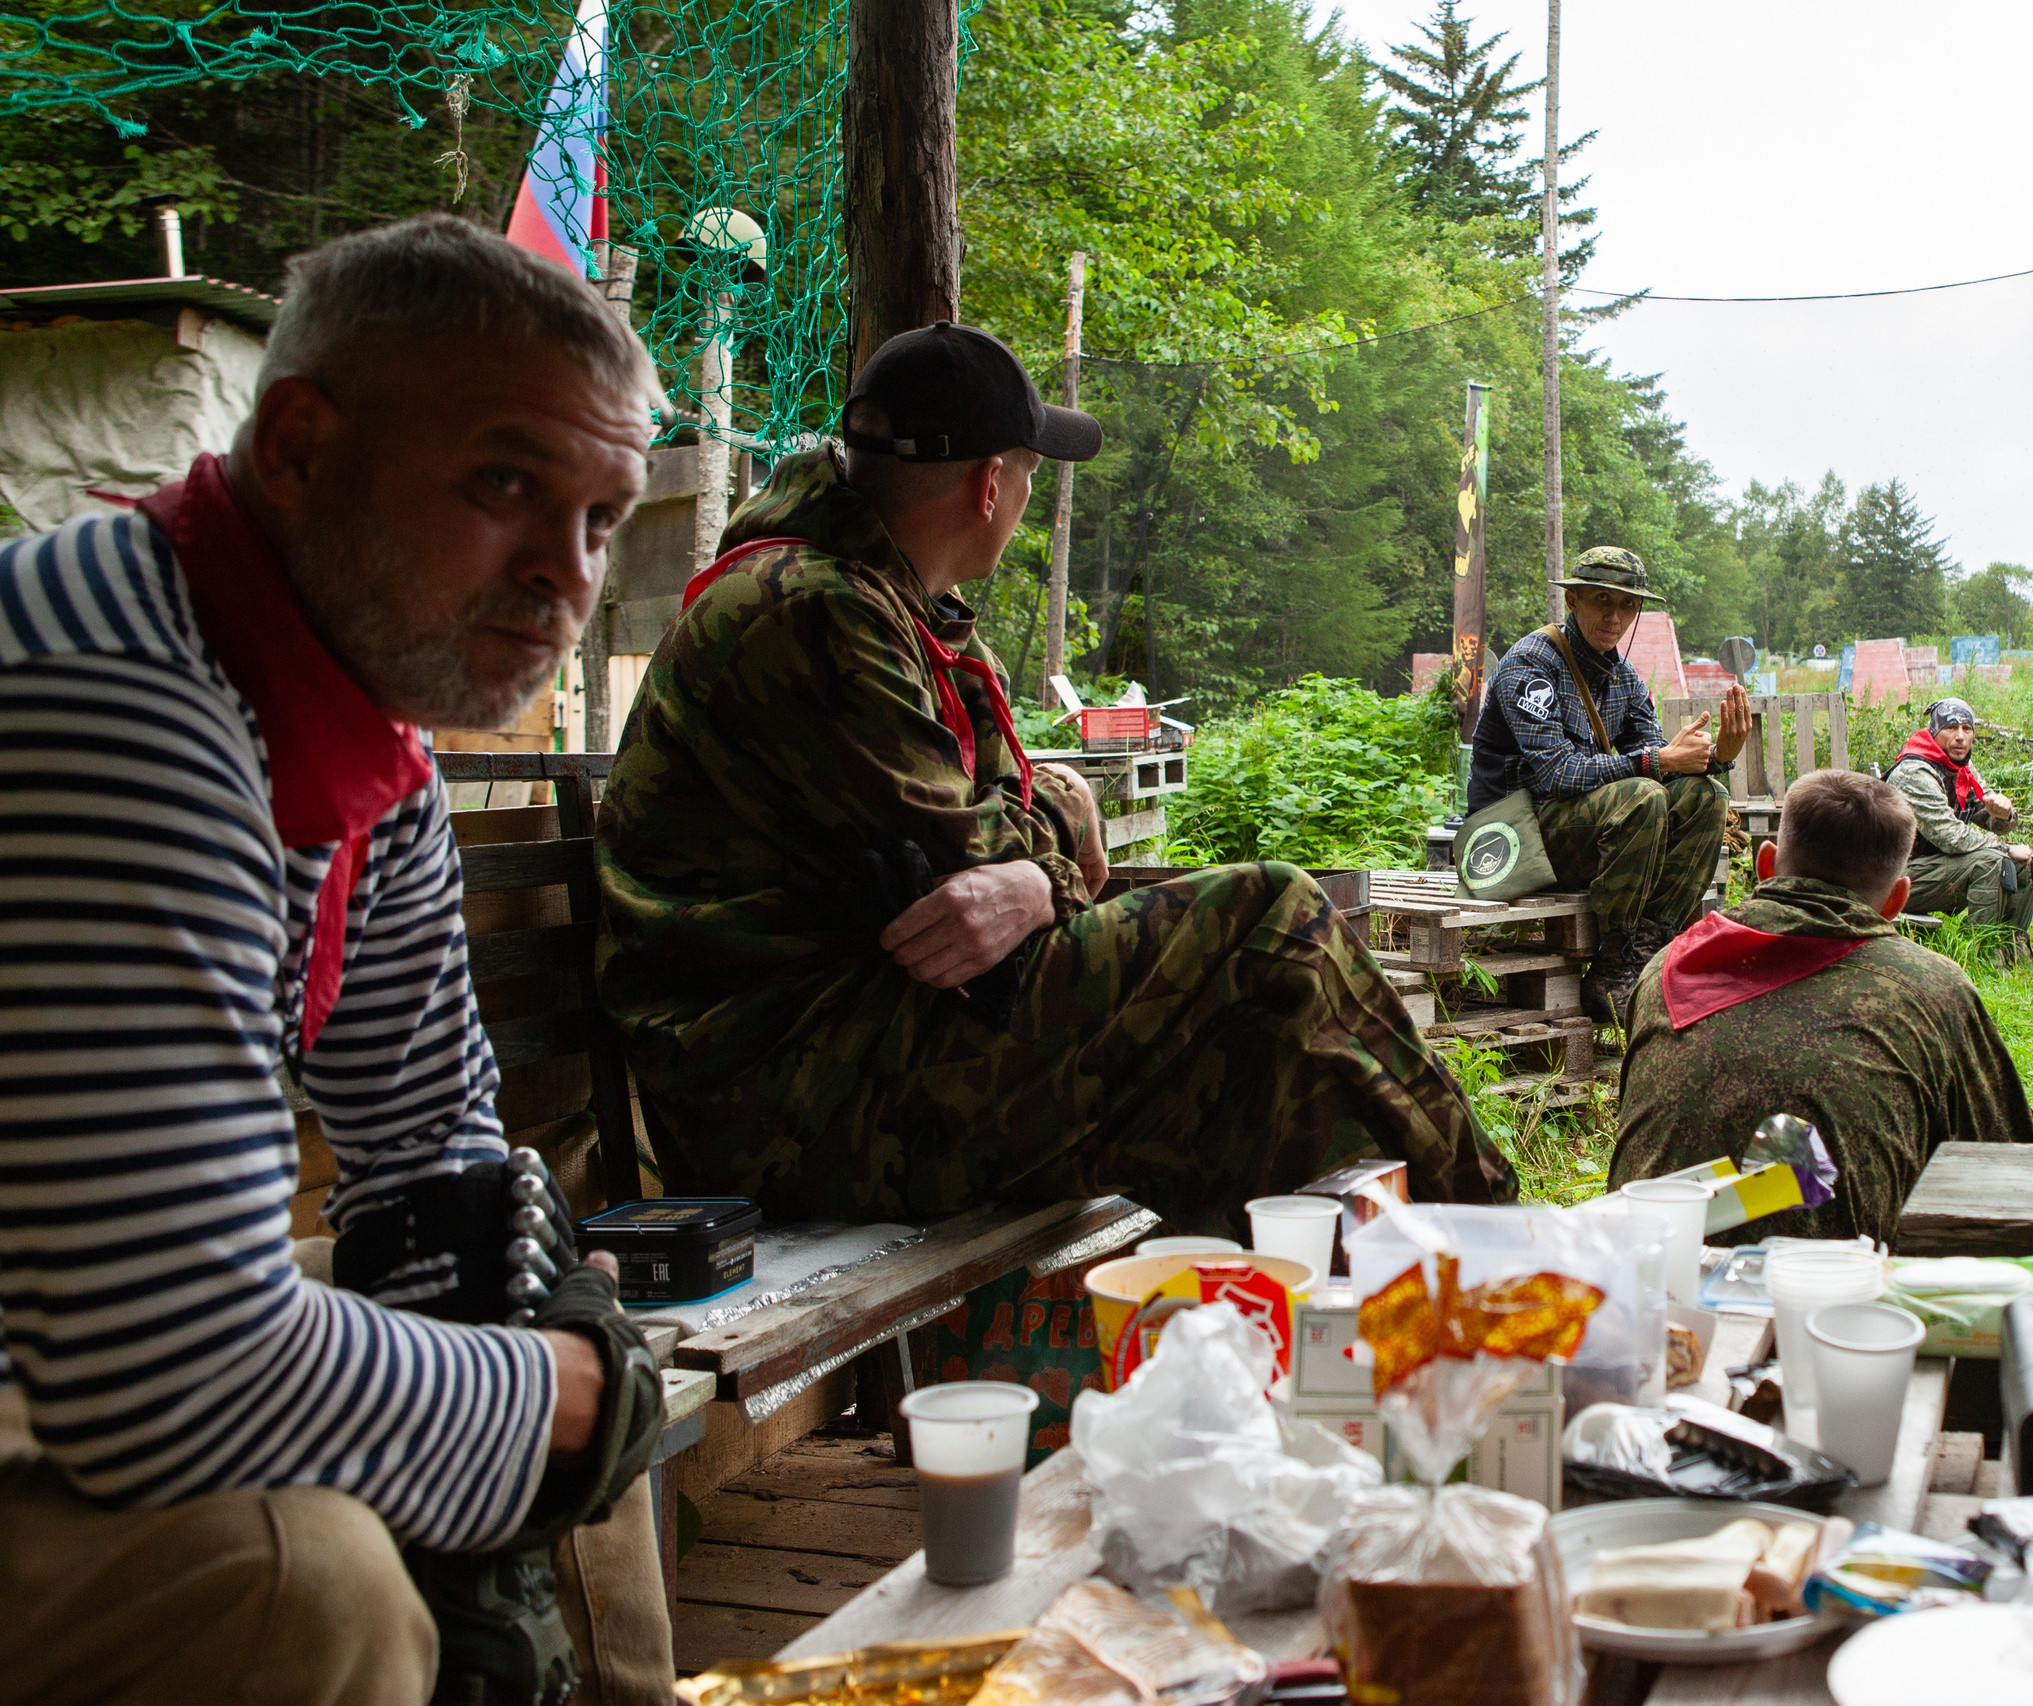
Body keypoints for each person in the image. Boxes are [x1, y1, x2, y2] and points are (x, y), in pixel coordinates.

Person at [0, 215, 668, 1704]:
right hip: (88, 1346)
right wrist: (549, 1397)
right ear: (298, 445)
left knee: (548, 1296)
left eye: (601, 518)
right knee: (312, 1578)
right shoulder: (115, 711)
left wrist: (531, 1336)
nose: (561, 574)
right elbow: (169, 1375)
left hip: (77, 1307)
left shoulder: (365, 739)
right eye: (506, 484)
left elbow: (431, 1146)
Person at [595, 321, 1514, 1240]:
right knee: (1278, 919)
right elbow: (970, 863)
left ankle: (1380, 1325)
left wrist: (1039, 846)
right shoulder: (809, 612)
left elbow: (1002, 820)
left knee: (1250, 1075)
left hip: (860, 1051)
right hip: (797, 1102)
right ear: (990, 483)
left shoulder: (890, 605)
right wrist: (1050, 862)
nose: (1029, 495)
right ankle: (1506, 1240)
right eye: (1032, 472)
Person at [1610, 770, 2033, 1247]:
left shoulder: (1663, 968)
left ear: (1766, 864)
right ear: (1897, 900)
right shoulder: (1932, 989)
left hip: (1646, 1283)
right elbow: (2014, 1159)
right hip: (1831, 1296)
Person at [1466, 545, 1753, 1023]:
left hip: (1575, 832)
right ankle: (1615, 960)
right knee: (1642, 795)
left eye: (1627, 604)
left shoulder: (1622, 676)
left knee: (1705, 797)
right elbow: (1558, 775)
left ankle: (1646, 950)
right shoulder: (1531, 666)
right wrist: (1655, 760)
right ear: (1573, 601)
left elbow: (1663, 759)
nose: (1615, 616)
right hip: (1515, 838)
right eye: (1602, 600)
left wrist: (1719, 755)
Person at [1885, 696, 2033, 963]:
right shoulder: (1914, 773)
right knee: (1992, 862)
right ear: (1934, 733)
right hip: (1893, 879)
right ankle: (1983, 955)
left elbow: (1985, 812)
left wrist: (2004, 814)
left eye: (1966, 729)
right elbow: (1952, 837)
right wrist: (2006, 849)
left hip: (1929, 868)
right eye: (1950, 728)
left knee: (2028, 864)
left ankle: (2014, 953)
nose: (1960, 737)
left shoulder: (1960, 768)